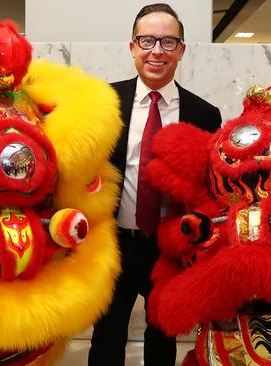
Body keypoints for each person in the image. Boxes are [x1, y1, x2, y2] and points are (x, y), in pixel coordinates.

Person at [89, 3, 222, 366]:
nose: (156, 51)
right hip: (115, 241)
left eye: (167, 41)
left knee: (163, 337)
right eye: (147, 40)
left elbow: (208, 187)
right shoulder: (105, 103)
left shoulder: (204, 114)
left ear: (181, 49)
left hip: (169, 247)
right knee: (106, 334)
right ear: (132, 46)